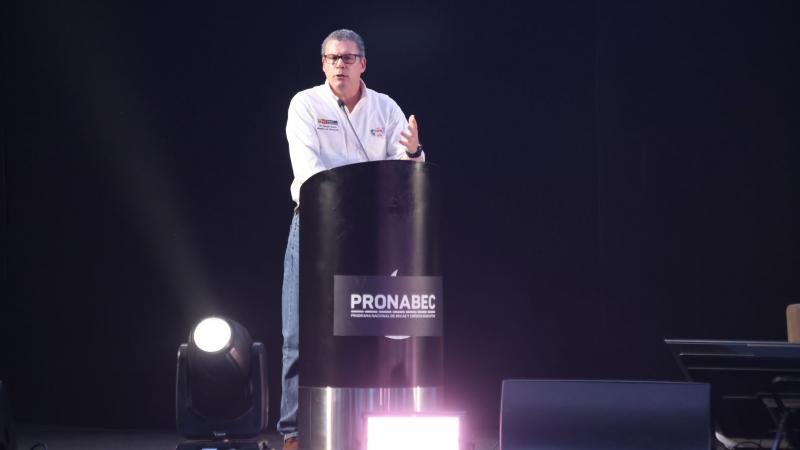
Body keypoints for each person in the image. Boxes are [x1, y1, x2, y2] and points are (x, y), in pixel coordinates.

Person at [279, 29, 425, 450]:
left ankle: (373, 423)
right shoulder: (306, 105)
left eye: (347, 57)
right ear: (323, 64)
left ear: (363, 63)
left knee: (373, 330)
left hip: (373, 232)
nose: (339, 65)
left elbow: (406, 168)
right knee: (298, 334)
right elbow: (308, 171)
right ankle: (293, 432)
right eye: (332, 58)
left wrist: (414, 152)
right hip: (317, 226)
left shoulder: (385, 107)